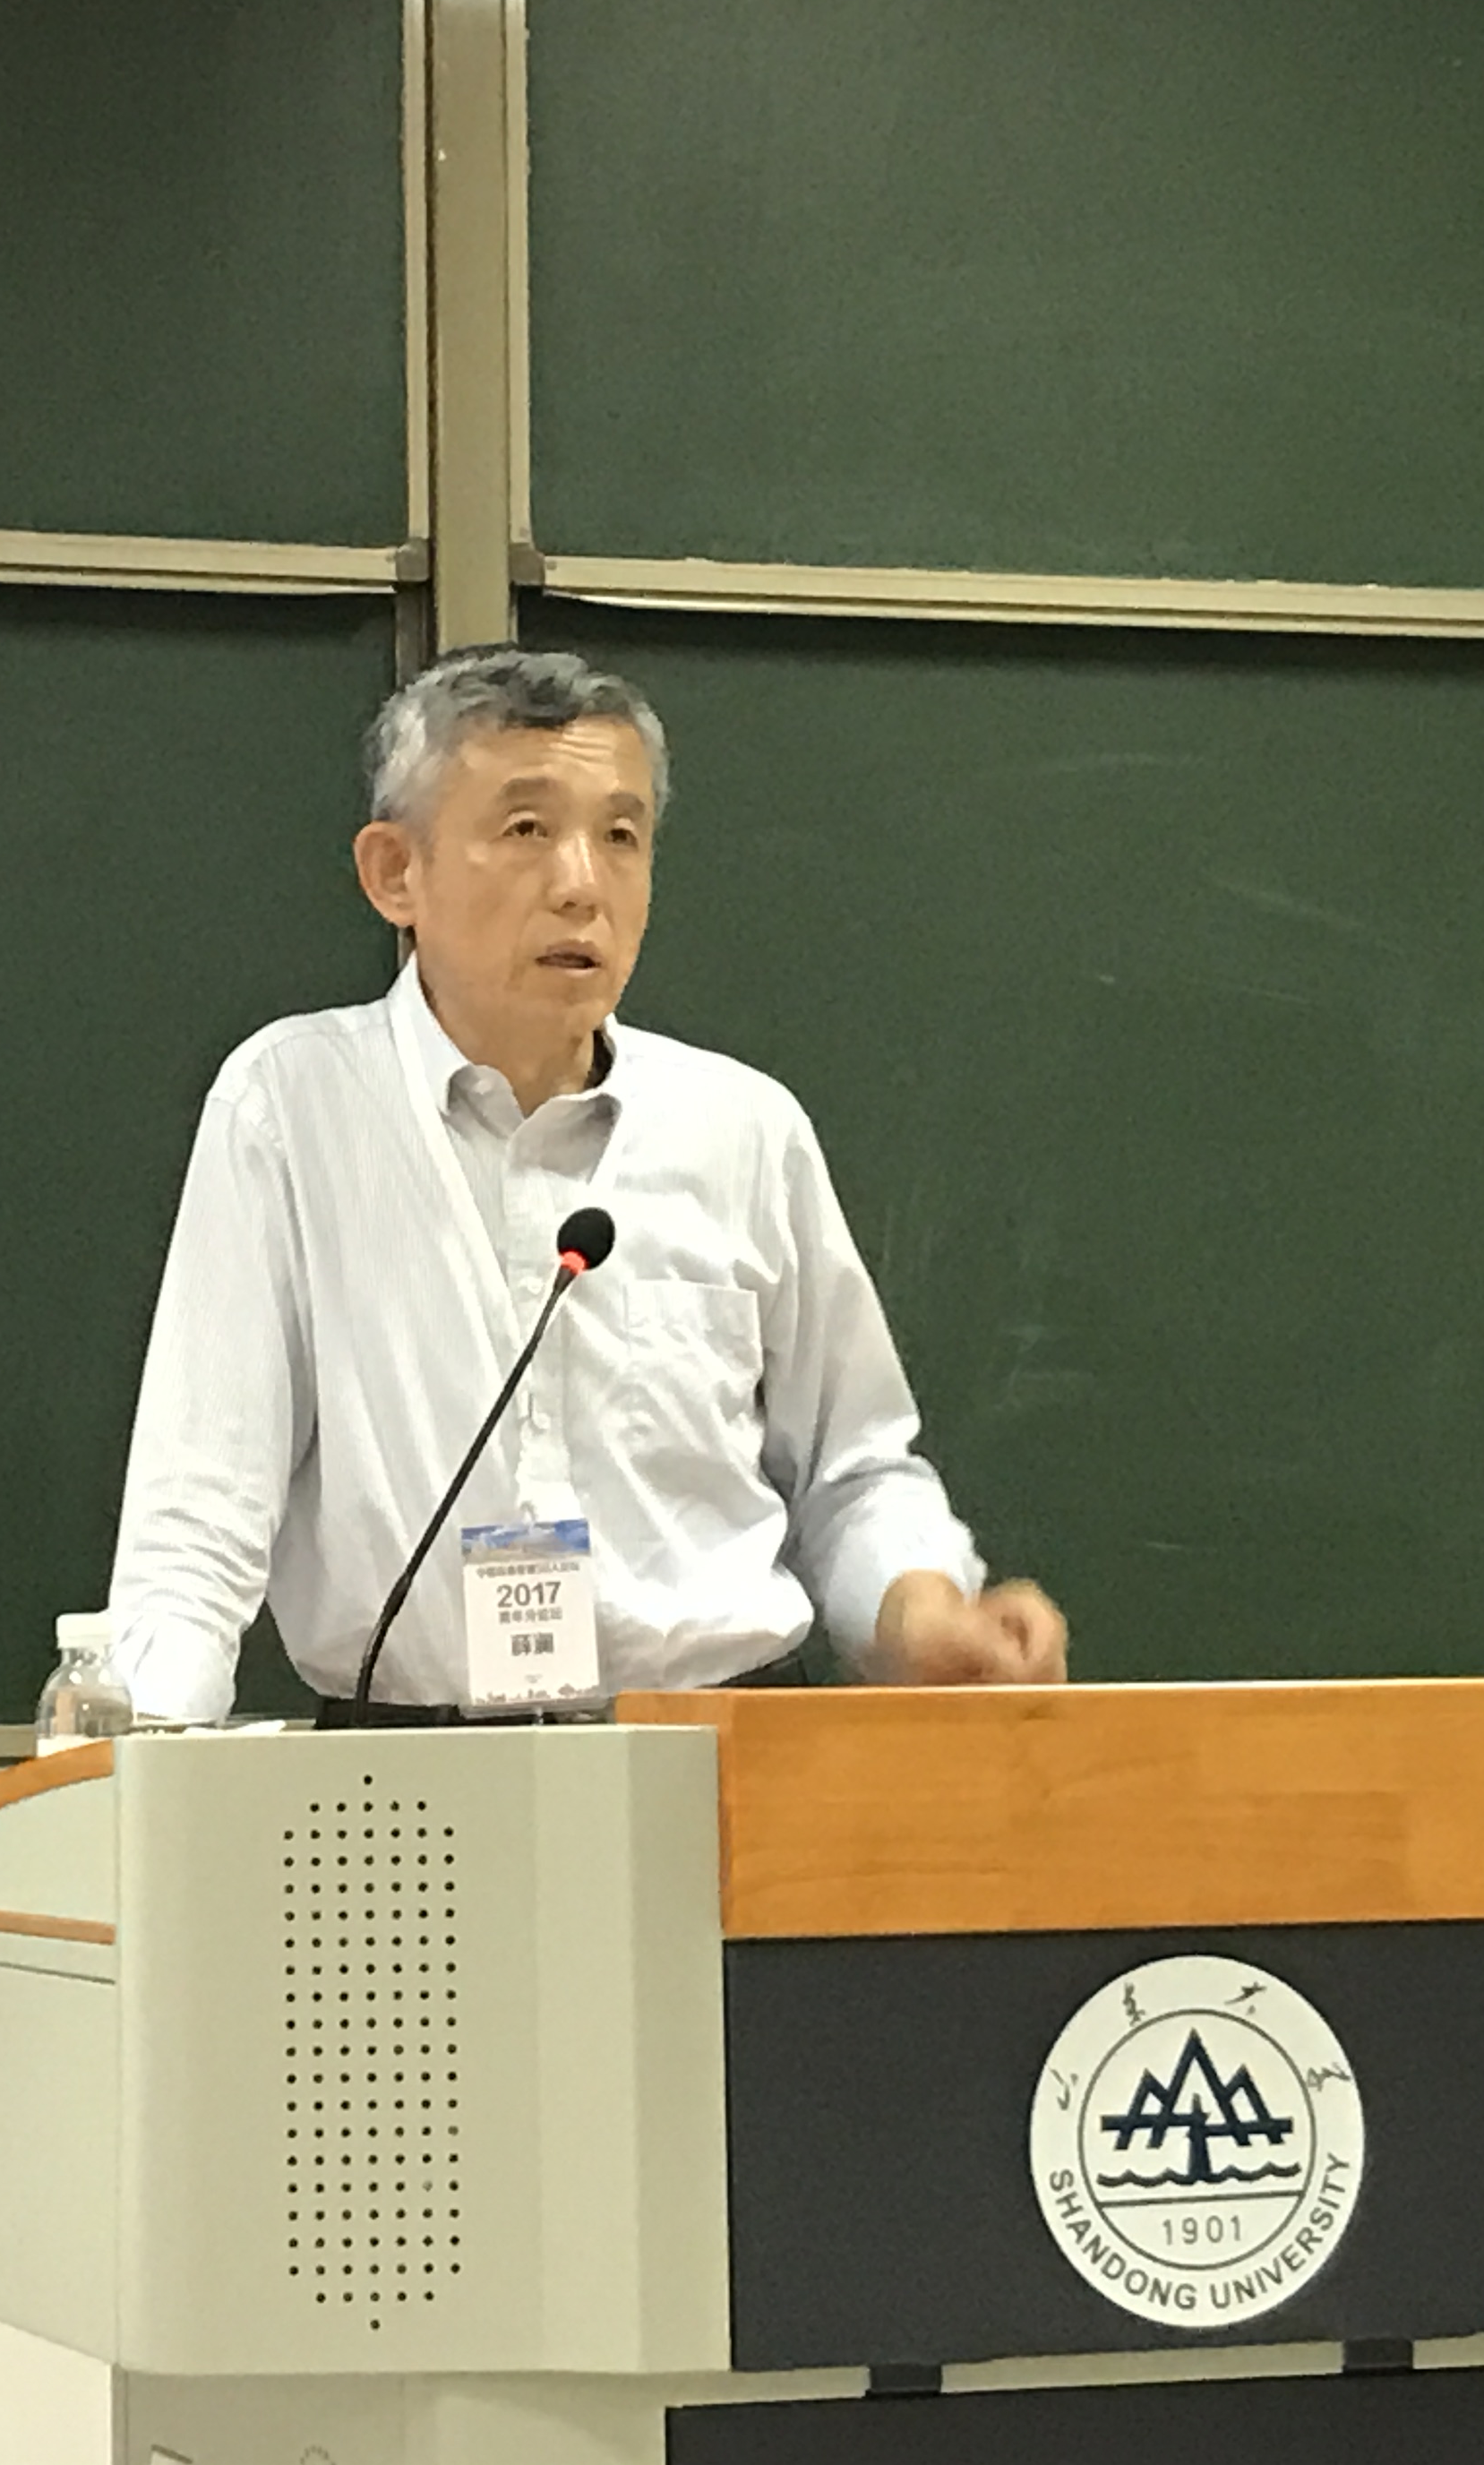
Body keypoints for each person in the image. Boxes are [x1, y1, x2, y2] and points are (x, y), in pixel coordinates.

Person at [105, 646, 1067, 1725]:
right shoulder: (293, 1106)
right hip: (414, 1776)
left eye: (621, 836)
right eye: (526, 830)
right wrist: (138, 1761)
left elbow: (851, 1470)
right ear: (395, 874)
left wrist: (921, 1612)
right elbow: (198, 1517)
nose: (580, 884)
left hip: (726, 1753)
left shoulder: (742, 1128)